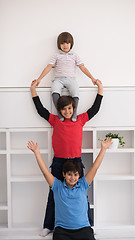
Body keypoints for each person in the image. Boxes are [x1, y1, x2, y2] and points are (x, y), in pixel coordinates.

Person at [30, 79, 103, 237]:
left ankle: (88, 224)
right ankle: (48, 225)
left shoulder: (81, 120)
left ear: (73, 108)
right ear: (60, 110)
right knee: (53, 193)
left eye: (69, 108)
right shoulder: (55, 121)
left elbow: (95, 109)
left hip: (76, 160)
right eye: (63, 109)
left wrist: (100, 89)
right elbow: (41, 110)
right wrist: (33, 91)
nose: (67, 111)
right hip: (59, 161)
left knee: (82, 194)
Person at [27, 137, 113, 240]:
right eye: (69, 174)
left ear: (79, 175)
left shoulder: (83, 184)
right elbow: (45, 172)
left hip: (83, 229)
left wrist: (103, 149)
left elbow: (95, 168)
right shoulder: (57, 186)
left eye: (75, 175)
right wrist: (37, 153)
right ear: (64, 174)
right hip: (62, 231)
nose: (73, 178)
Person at [33, 32, 101, 121]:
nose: (65, 45)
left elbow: (82, 67)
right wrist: (39, 79)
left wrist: (92, 78)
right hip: (58, 79)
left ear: (71, 44)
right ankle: (60, 113)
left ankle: (74, 113)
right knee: (54, 91)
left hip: (71, 79)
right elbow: (49, 67)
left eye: (67, 43)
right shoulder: (56, 55)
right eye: (62, 43)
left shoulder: (74, 55)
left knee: (75, 92)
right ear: (59, 44)